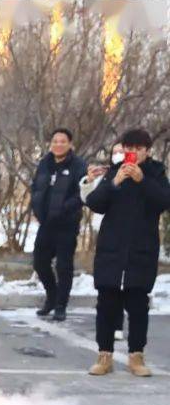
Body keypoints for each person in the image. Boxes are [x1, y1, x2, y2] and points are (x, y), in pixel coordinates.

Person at [84, 128, 170, 377]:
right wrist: (114, 182)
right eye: (128, 148)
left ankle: (136, 356)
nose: (132, 153)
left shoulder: (156, 173)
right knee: (106, 303)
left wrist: (143, 180)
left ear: (147, 151)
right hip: (112, 249)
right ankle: (104, 355)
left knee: (138, 304)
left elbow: (164, 201)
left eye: (138, 149)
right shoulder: (114, 171)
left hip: (141, 250)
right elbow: (96, 204)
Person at [30, 128, 86, 321]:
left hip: (66, 224)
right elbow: (36, 187)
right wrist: (36, 209)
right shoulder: (45, 163)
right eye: (55, 141)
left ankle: (61, 304)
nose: (58, 144)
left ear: (70, 144)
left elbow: (83, 194)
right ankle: (52, 297)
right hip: (46, 223)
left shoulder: (78, 166)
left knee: (63, 266)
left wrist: (65, 208)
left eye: (63, 141)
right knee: (39, 262)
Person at [81, 142, 126, 342]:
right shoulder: (107, 175)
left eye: (121, 151)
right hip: (105, 233)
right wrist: (89, 181)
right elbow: (89, 200)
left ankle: (118, 324)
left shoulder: (136, 175)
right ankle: (108, 326)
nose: (117, 155)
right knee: (107, 282)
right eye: (114, 152)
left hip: (127, 235)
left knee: (121, 283)